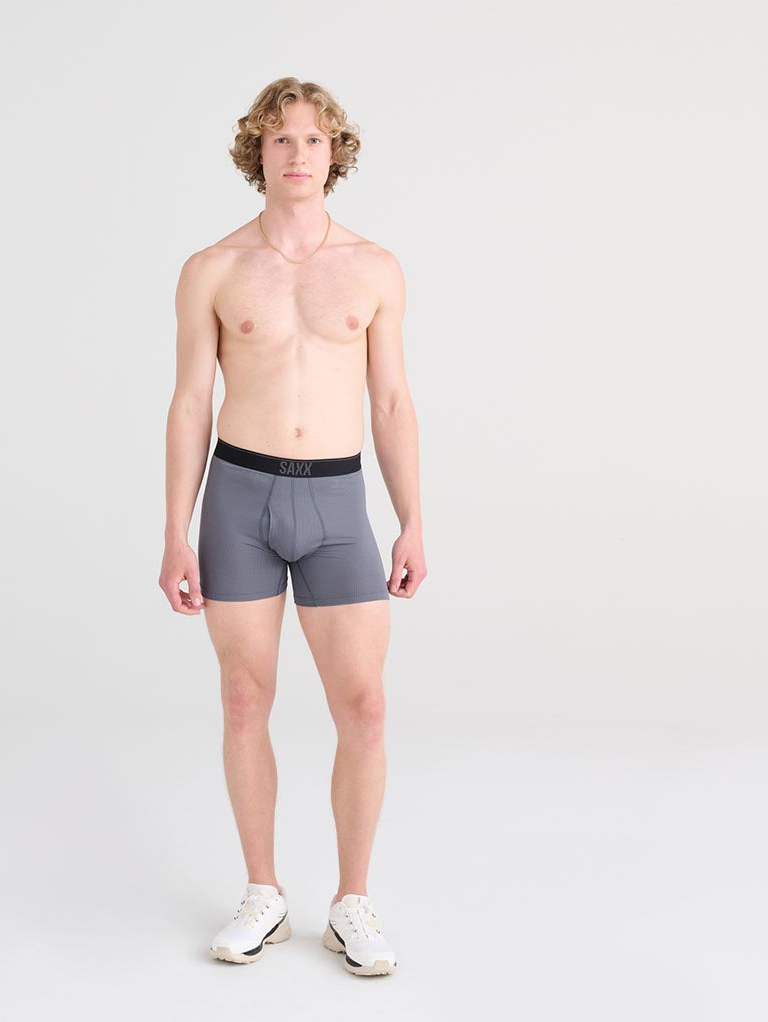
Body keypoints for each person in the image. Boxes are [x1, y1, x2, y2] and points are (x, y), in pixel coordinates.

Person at [159, 77, 426, 976]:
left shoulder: (375, 267)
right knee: (244, 699)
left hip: (338, 503)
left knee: (365, 705)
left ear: (334, 153)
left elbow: (391, 402)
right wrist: (174, 529)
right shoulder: (213, 269)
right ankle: (263, 895)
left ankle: (352, 902)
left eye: (313, 139)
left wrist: (412, 520)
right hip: (239, 498)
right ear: (258, 153)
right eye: (281, 139)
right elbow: (190, 403)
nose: (298, 153)